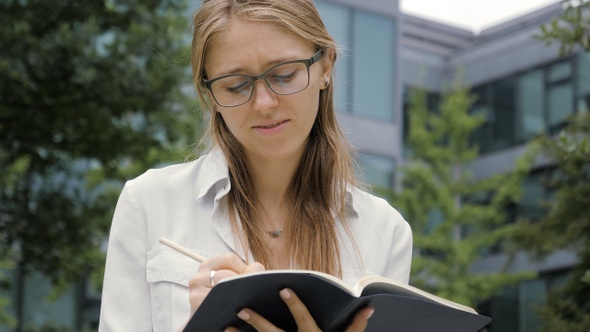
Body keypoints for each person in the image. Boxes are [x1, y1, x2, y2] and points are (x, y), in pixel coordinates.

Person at [98, 0, 412, 331]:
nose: (263, 103)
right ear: (209, 96)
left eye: (284, 75)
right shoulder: (148, 204)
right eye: (236, 85)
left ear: (326, 66)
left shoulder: (385, 232)